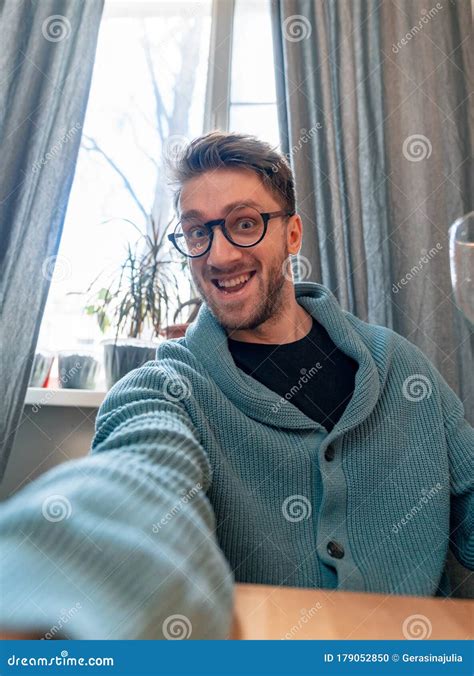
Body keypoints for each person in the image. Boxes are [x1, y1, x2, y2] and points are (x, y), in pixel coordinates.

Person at [1, 132, 473, 640]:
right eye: (197, 232)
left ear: (292, 235)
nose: (220, 255)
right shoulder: (163, 389)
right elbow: (137, 483)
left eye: (244, 224)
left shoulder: (403, 370)